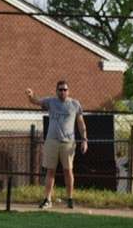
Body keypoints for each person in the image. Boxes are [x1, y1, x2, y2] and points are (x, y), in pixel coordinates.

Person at [25, 81, 87, 209]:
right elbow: (36, 102)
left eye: (65, 89)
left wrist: (84, 139)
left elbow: (81, 123)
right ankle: (47, 199)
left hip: (68, 142)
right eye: (60, 89)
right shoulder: (51, 102)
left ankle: (70, 199)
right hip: (52, 141)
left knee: (68, 171)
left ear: (68, 91)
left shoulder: (75, 104)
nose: (62, 92)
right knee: (50, 171)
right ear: (56, 91)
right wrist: (31, 96)